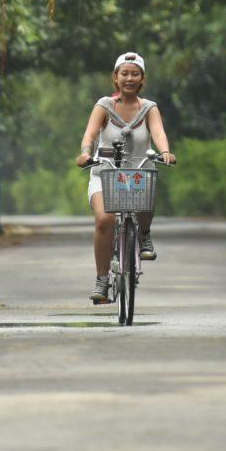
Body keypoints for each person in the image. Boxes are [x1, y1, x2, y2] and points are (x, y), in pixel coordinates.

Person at [75, 52, 174, 304]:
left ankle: (144, 233)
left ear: (142, 79)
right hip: (105, 172)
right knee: (104, 219)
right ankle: (102, 280)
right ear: (116, 78)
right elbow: (90, 134)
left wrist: (165, 152)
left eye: (135, 73)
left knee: (145, 195)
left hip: (138, 172)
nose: (129, 78)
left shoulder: (149, 108)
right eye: (124, 73)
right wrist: (86, 154)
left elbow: (159, 133)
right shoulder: (104, 105)